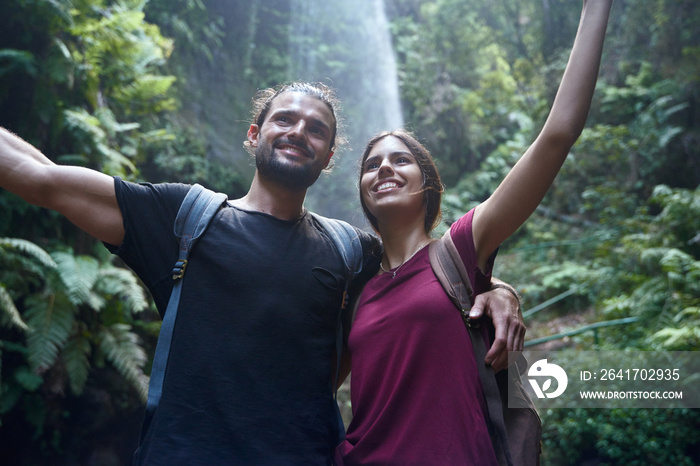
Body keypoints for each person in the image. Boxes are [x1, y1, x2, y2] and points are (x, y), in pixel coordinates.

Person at [0, 81, 522, 464]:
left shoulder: (350, 251)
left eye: (316, 130)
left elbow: (425, 276)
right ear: (255, 134)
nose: (299, 132)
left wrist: (496, 289)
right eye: (285, 120)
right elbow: (42, 179)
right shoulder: (185, 219)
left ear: (329, 158)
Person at [335, 1, 613, 464]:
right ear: (363, 193)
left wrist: (594, 8)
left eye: (399, 159)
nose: (383, 166)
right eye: (370, 165)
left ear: (427, 183)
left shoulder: (462, 249)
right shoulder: (353, 284)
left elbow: (558, 134)